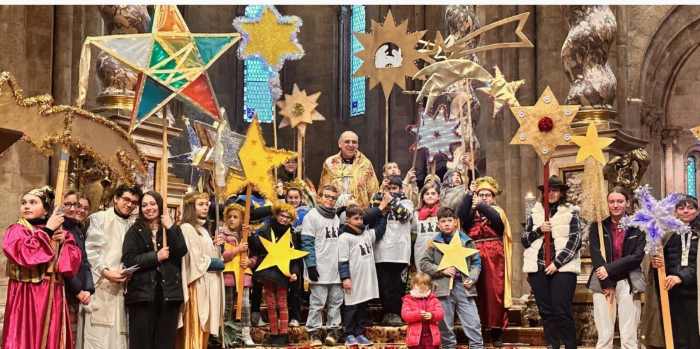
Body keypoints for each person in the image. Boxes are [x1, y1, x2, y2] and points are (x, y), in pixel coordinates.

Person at [2, 186, 82, 349]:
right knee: (27, 338)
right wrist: (47, 231)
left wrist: (64, 242)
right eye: (24, 202)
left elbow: (69, 266)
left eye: (33, 202)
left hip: (52, 293)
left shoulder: (60, 232)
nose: (26, 206)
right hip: (26, 295)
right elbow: (25, 254)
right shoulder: (17, 230)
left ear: (46, 210)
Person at [122, 191, 188, 349]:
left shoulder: (171, 228)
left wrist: (171, 227)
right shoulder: (134, 230)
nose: (148, 208)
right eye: (144, 205)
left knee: (165, 343)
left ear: (159, 205)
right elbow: (129, 260)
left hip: (168, 294)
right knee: (142, 343)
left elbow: (181, 251)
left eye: (152, 204)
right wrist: (155, 257)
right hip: (142, 295)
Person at [521, 175, 581, 349]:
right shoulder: (536, 212)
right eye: (548, 191)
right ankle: (552, 345)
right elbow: (524, 239)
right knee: (546, 312)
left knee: (561, 311)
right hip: (538, 266)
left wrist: (557, 263)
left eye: (555, 190)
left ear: (561, 193)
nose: (551, 194)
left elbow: (575, 241)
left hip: (562, 268)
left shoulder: (571, 211)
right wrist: (539, 230)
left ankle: (570, 346)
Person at [83, 184, 142, 349]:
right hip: (102, 285)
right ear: (116, 198)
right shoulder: (99, 218)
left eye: (134, 202)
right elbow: (91, 250)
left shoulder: (134, 224)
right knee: (99, 338)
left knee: (120, 337)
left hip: (124, 287)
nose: (130, 204)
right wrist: (105, 272)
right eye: (126, 199)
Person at [587, 187, 645, 349]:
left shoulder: (637, 226)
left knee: (629, 335)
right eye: (611, 201)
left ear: (627, 203)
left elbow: (636, 256)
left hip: (629, 281)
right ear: (607, 204)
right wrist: (606, 282)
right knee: (604, 335)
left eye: (620, 201)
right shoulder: (598, 227)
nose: (615, 205)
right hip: (603, 282)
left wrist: (610, 269)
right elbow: (596, 254)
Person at [458, 177, 512, 346]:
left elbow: (497, 223)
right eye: (481, 194)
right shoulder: (471, 212)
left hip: (494, 255)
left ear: (493, 197)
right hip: (473, 253)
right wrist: (469, 196)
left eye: (487, 195)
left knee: (494, 292)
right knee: (475, 292)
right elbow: (461, 219)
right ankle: (477, 327)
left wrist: (481, 204)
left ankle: (496, 330)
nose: (484, 197)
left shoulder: (497, 211)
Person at [420, 207, 483, 349]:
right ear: (438, 224)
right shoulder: (434, 244)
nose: (447, 224)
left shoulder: (466, 241)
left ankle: (477, 346)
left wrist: (472, 278)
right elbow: (423, 263)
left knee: (472, 322)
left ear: (456, 222)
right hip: (443, 289)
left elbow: (476, 263)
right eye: (443, 221)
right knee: (444, 326)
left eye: (450, 220)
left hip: (464, 287)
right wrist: (441, 270)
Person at [248, 203, 301, 346]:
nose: (284, 219)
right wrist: (251, 236)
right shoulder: (266, 228)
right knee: (271, 304)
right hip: (268, 271)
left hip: (284, 271)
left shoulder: (292, 233)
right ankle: (273, 332)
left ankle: (283, 333)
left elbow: (295, 257)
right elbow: (257, 247)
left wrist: (294, 272)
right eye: (282, 215)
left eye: (288, 217)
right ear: (276, 214)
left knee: (282, 303)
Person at [177, 191, 225, 349]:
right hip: (196, 285)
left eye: (207, 204)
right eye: (201, 204)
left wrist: (216, 246)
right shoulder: (186, 228)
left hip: (208, 283)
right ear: (191, 207)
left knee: (203, 330)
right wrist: (216, 262)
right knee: (195, 328)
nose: (205, 208)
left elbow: (210, 256)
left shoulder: (203, 230)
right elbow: (195, 260)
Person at [338, 205, 386, 347]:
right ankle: (349, 334)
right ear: (347, 220)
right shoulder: (344, 237)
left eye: (361, 218)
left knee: (362, 307)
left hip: (366, 279)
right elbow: (342, 260)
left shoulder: (366, 234)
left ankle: (359, 333)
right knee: (351, 307)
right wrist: (345, 277)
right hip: (353, 279)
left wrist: (383, 215)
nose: (360, 221)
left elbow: (380, 230)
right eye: (356, 218)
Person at [300, 184, 342, 347]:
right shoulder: (312, 216)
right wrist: (311, 265)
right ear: (320, 197)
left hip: (336, 269)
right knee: (317, 304)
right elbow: (307, 242)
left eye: (333, 198)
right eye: (327, 196)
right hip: (319, 268)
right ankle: (314, 332)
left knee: (335, 303)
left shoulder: (337, 218)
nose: (330, 200)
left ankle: (333, 331)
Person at [371, 175, 414, 326]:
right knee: (384, 284)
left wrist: (391, 199)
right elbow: (371, 216)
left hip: (399, 251)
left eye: (394, 188)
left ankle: (396, 312)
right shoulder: (379, 202)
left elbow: (405, 215)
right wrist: (381, 197)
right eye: (388, 189)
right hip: (381, 251)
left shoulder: (406, 202)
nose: (391, 191)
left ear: (400, 189)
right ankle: (386, 312)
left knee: (397, 285)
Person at [663, 195, 700, 348]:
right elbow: (665, 262)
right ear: (676, 211)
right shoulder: (668, 234)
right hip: (673, 292)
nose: (686, 211)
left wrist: (680, 277)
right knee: (678, 337)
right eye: (681, 207)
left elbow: (695, 264)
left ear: (697, 211)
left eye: (690, 207)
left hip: (695, 293)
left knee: (694, 336)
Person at [62, 190, 95, 347]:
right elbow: (63, 264)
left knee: (72, 338)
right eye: (75, 205)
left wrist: (88, 289)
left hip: (77, 293)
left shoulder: (78, 230)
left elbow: (84, 261)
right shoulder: (62, 228)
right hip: (64, 291)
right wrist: (78, 290)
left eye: (84, 208)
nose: (79, 210)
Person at [220, 203, 256, 347]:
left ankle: (245, 333)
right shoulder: (221, 235)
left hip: (243, 275)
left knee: (245, 305)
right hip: (228, 274)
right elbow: (221, 255)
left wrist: (249, 262)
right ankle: (228, 334)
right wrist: (237, 250)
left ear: (242, 219)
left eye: (236, 217)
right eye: (230, 217)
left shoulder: (247, 235)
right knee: (227, 305)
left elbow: (256, 256)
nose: (232, 220)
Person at [319, 131, 380, 208]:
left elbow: (373, 190)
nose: (351, 145)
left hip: (358, 212)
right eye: (347, 142)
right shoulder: (330, 163)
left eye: (354, 142)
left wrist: (372, 212)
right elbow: (323, 189)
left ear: (357, 145)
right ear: (339, 144)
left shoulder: (366, 164)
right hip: (334, 211)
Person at [285, 186, 309, 328]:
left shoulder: (306, 213)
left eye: (296, 197)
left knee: (296, 286)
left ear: (301, 199)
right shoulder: (281, 212)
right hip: (283, 253)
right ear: (286, 198)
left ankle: (295, 316)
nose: (293, 200)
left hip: (300, 254)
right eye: (290, 197)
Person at [401, 272, 444, 349]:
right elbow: (405, 315)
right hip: (415, 339)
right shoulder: (408, 299)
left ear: (429, 286)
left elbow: (440, 313)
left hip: (431, 338)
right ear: (413, 285)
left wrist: (432, 315)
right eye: (419, 285)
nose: (422, 287)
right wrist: (418, 315)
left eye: (425, 284)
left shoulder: (433, 299)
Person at [413, 183, 441, 272]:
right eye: (427, 194)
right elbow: (413, 233)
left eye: (433, 193)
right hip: (421, 251)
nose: (430, 196)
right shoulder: (416, 214)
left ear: (438, 196)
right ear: (422, 197)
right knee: (423, 281)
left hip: (439, 251)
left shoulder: (442, 212)